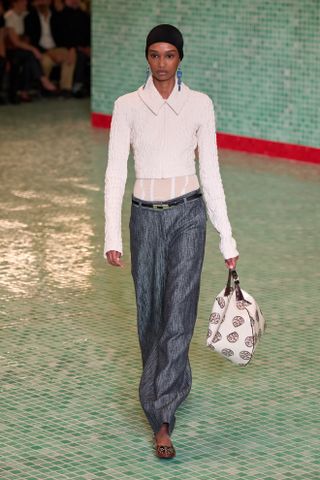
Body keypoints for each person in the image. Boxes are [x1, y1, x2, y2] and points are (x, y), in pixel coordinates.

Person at [104, 24, 239, 459]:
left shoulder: (199, 105)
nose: (161, 63)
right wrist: (111, 233)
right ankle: (168, 386)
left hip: (188, 215)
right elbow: (114, 174)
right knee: (151, 317)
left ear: (181, 58)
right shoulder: (127, 105)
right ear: (146, 57)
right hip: (144, 218)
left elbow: (212, 172)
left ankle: (162, 418)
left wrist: (227, 237)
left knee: (179, 314)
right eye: (154, 54)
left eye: (169, 55)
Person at [5, 0, 56, 102]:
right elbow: (15, 42)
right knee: (31, 54)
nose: (25, 3)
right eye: (23, 1)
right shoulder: (9, 16)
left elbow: (37, 7)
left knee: (29, 59)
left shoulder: (24, 14)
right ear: (15, 3)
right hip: (12, 49)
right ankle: (43, 80)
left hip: (22, 49)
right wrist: (33, 49)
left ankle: (24, 92)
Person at [24, 0, 76, 97]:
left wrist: (70, 49)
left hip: (57, 48)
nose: (43, 3)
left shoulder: (57, 16)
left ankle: (65, 88)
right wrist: (50, 53)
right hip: (41, 50)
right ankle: (45, 88)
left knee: (70, 57)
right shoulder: (30, 18)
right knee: (45, 62)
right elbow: (32, 42)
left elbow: (66, 36)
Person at [58, 0, 90, 97]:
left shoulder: (84, 15)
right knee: (78, 56)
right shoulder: (61, 15)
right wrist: (75, 47)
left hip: (83, 46)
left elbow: (87, 33)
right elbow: (62, 36)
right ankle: (77, 86)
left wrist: (87, 47)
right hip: (68, 47)